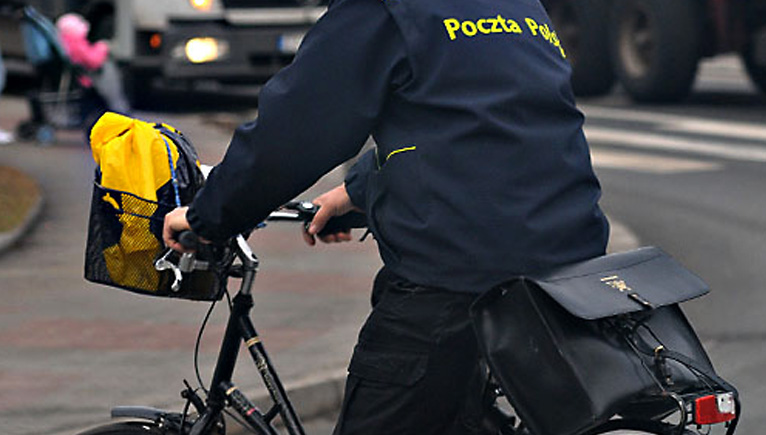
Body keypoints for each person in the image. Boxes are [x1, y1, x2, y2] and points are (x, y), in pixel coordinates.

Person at [163, 0, 610, 433]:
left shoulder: (380, 9)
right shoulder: (516, 4)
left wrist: (208, 217)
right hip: (565, 264)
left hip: (455, 278)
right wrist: (357, 191)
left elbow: (292, 134)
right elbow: (480, 124)